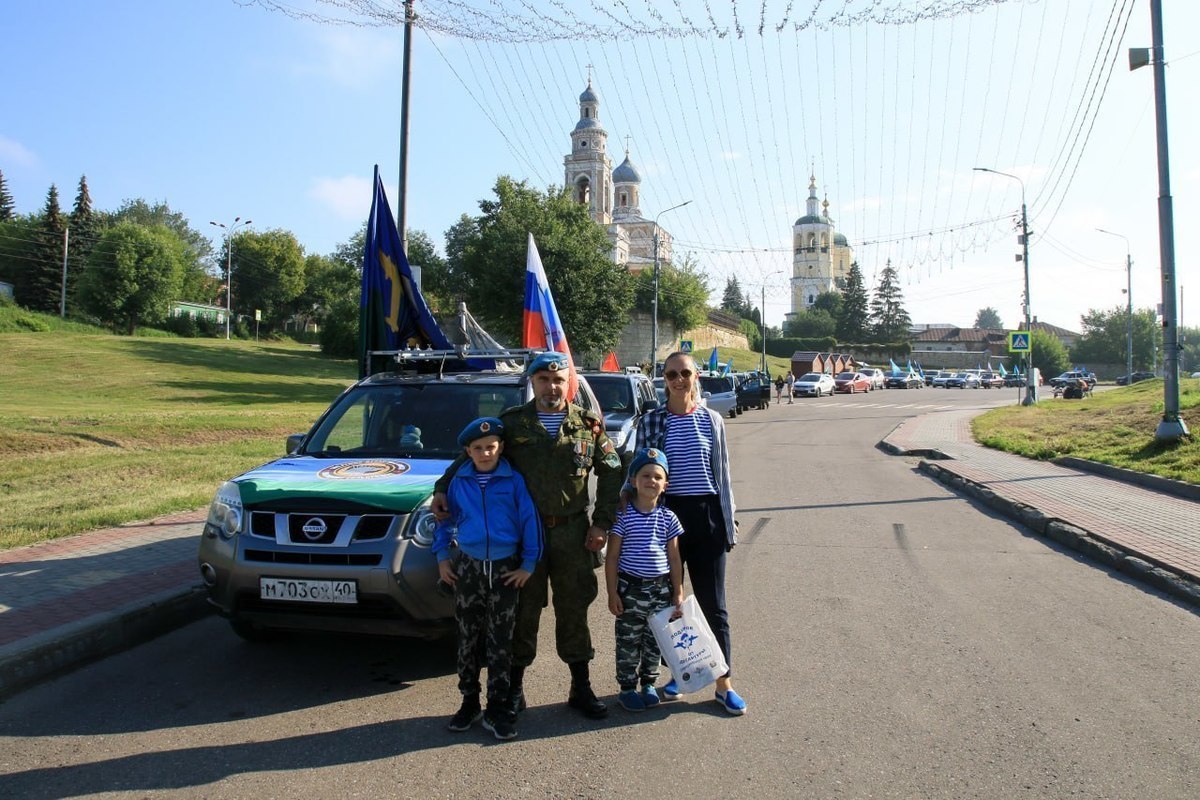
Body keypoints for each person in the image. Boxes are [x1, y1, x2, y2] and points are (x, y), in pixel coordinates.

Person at [432, 351, 623, 720]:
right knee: (522, 612)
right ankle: (513, 689)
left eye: (558, 380)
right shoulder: (511, 425)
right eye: (543, 380)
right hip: (524, 538)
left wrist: (602, 523)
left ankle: (580, 686)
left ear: (567, 382)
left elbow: (613, 470)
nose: (551, 386)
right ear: (532, 383)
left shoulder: (588, 424)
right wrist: (443, 487)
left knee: (574, 610)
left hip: (572, 534)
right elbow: (469, 456)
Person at [634, 350, 746, 715]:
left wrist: (728, 523)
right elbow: (636, 475)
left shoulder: (712, 420)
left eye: (685, 373)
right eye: (671, 374)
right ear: (663, 380)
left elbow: (723, 475)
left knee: (714, 605)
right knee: (671, 605)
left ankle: (723, 682)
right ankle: (680, 675)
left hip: (706, 515)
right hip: (668, 519)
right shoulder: (651, 421)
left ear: (696, 376)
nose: (679, 380)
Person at [433, 417, 543, 741]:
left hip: (506, 569)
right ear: (468, 451)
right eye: (478, 448)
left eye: (491, 447)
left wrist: (528, 564)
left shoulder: (513, 481)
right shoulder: (459, 482)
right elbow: (442, 520)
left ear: (501, 448)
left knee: (500, 641)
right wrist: (442, 558)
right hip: (469, 567)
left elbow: (529, 521)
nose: (485, 453)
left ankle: (498, 706)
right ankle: (469, 701)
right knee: (467, 637)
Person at [605, 447, 684, 712]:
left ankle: (649, 683)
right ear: (634, 481)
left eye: (657, 477)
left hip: (660, 591)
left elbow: (674, 558)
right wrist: (612, 592)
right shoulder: (623, 515)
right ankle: (627, 688)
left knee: (654, 642)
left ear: (666, 485)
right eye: (645, 475)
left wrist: (678, 591)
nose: (652, 481)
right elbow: (613, 557)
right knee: (628, 642)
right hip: (630, 590)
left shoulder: (668, 518)